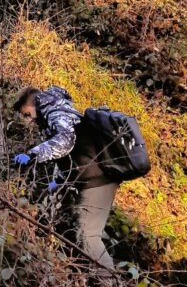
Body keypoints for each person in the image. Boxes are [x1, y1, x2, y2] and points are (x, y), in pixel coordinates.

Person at [12, 86, 118, 268]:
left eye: (27, 114)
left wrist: (32, 154)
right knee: (83, 233)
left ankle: (111, 286)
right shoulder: (59, 108)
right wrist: (60, 181)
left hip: (96, 179)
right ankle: (104, 283)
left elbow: (66, 141)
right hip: (92, 176)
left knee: (88, 236)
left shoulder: (54, 110)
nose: (28, 121)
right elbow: (77, 152)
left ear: (31, 103)